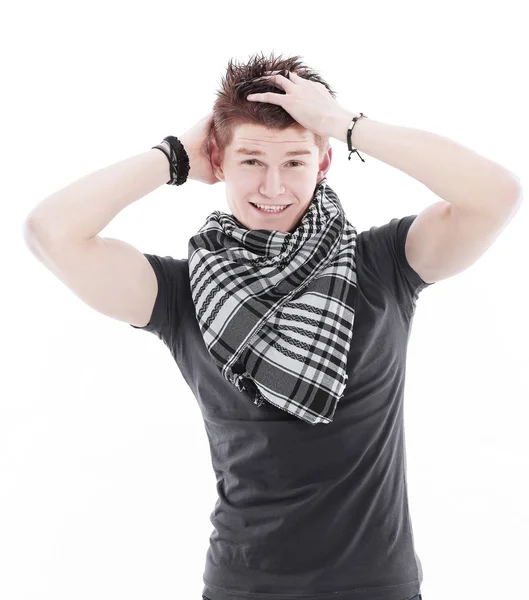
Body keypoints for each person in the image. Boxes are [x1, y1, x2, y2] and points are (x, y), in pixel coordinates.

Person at [23, 51, 521, 600]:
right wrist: (171, 156)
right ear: (218, 160)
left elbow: (496, 195)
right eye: (252, 160)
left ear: (323, 163)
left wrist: (345, 123)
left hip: (377, 587)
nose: (273, 187)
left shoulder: (380, 265)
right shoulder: (183, 293)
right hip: (243, 587)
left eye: (294, 163)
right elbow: (50, 232)